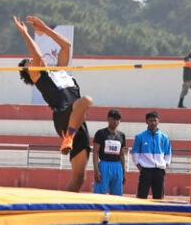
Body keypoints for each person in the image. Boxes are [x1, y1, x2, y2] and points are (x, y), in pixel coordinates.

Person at [12, 15, 94, 192]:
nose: (33, 61)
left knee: (79, 178)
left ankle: (65, 208)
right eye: (30, 63)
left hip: (78, 122)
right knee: (86, 101)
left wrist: (45, 29)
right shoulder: (39, 77)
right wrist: (26, 34)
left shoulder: (60, 71)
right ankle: (69, 138)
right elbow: (37, 56)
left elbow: (66, 46)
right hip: (64, 116)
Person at [131, 111, 172, 199]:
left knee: (158, 196)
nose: (153, 123)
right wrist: (139, 166)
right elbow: (135, 153)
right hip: (145, 169)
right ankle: (140, 211)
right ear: (146, 122)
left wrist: (166, 165)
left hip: (159, 170)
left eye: (155, 120)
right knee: (142, 195)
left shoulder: (164, 137)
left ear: (158, 121)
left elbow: (168, 153)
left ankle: (158, 212)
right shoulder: (140, 136)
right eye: (150, 121)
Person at [92, 109, 127, 196]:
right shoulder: (100, 133)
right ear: (108, 119)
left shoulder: (121, 135)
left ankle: (115, 209)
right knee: (99, 194)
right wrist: (96, 170)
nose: (115, 122)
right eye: (113, 119)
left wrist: (123, 171)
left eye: (118, 120)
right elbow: (95, 152)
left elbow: (122, 154)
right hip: (104, 165)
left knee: (117, 195)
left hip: (117, 166)